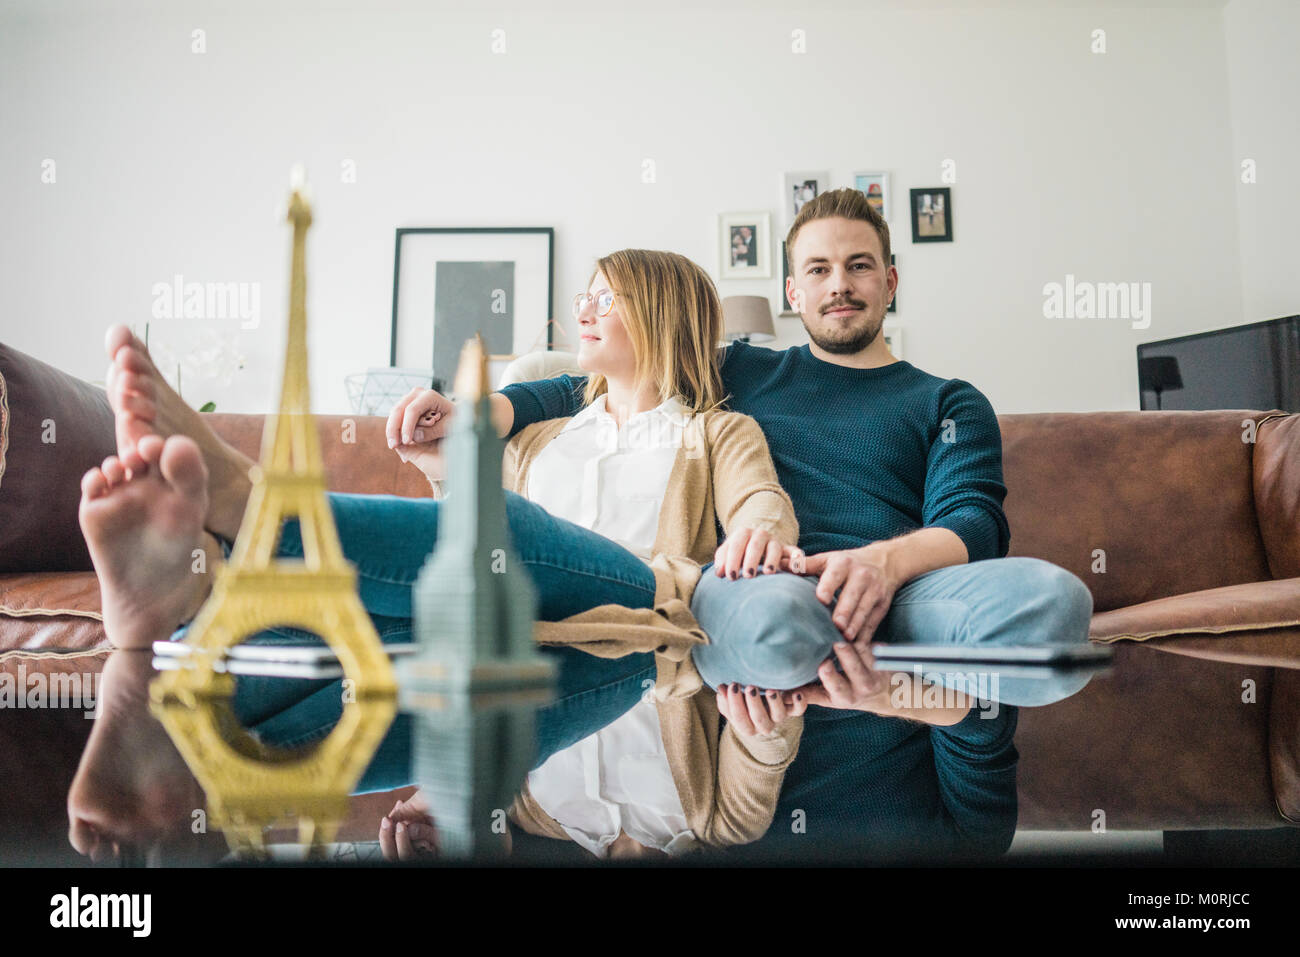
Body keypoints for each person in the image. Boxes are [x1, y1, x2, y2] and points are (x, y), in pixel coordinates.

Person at [408, 188, 1096, 859]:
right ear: (793, 292)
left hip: (894, 597)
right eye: (818, 270)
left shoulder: (947, 401)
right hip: (749, 610)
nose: (840, 286)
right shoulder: (740, 370)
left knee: (1046, 603)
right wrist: (490, 413)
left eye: (859, 266)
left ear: (890, 280)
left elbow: (973, 520)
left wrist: (882, 567)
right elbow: (609, 378)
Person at [67, 250, 809, 861]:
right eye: (584, 297)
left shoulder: (717, 431)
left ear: (659, 313)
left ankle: (239, 553)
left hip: (635, 617)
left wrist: (761, 542)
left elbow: (761, 506)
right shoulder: (537, 436)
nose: (581, 310)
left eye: (604, 299)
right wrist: (433, 458)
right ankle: (189, 608)